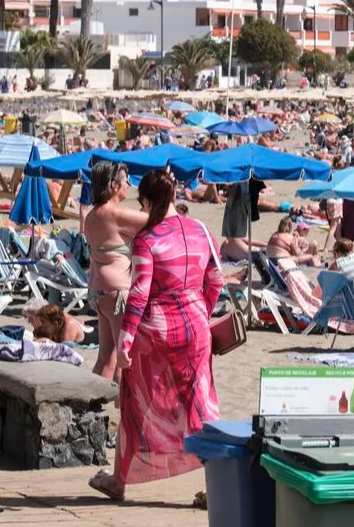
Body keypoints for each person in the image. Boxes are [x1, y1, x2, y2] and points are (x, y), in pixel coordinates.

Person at [88, 169, 223, 502]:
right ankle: (215, 487)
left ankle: (118, 480)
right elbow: (217, 280)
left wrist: (125, 343)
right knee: (201, 406)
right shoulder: (202, 231)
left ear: (145, 201)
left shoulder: (148, 239)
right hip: (196, 326)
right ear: (175, 195)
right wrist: (201, 311)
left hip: (156, 332)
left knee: (135, 403)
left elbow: (139, 295)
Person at [82, 162, 148, 382]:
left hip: (99, 292)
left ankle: (89, 404)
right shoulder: (114, 214)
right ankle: (122, 409)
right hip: (118, 292)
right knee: (123, 356)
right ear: (113, 185)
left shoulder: (92, 216)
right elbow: (158, 220)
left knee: (105, 357)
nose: (128, 184)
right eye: (125, 179)